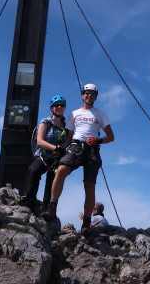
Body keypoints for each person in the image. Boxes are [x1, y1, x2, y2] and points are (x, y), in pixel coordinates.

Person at [42, 83, 115, 237]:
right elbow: (69, 137)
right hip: (75, 147)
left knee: (89, 186)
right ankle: (52, 207)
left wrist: (98, 141)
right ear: (82, 95)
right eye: (86, 93)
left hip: (92, 149)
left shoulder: (100, 114)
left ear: (95, 97)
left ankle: (87, 223)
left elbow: (111, 137)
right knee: (61, 169)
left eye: (92, 94)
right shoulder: (73, 114)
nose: (89, 96)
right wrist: (60, 148)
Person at [21, 95, 71, 213]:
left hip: (57, 158)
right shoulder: (45, 122)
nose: (59, 107)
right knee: (34, 171)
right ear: (52, 108)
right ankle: (29, 201)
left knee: (53, 181)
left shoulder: (66, 125)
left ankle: (47, 207)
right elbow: (40, 141)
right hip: (44, 156)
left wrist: (62, 148)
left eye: (61, 105)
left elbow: (69, 139)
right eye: (56, 105)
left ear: (64, 108)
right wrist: (56, 148)